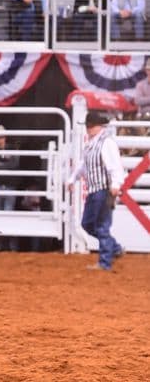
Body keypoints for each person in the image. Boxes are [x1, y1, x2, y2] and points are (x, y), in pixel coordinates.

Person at [67, 111, 126, 271]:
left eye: (90, 126)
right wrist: (73, 179)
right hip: (95, 190)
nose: (88, 129)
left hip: (104, 189)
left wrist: (116, 184)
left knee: (100, 225)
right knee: (87, 224)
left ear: (98, 127)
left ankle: (105, 261)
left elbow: (115, 166)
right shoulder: (91, 144)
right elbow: (83, 165)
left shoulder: (106, 143)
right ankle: (114, 248)